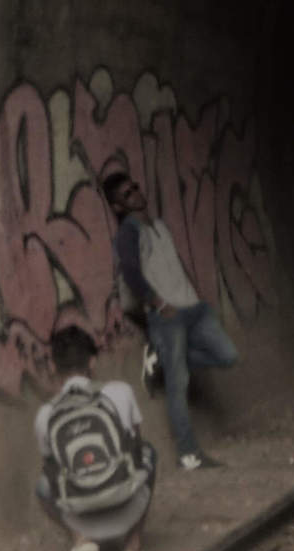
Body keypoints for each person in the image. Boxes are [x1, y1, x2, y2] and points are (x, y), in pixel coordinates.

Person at [102, 167, 238, 470]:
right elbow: (132, 275)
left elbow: (174, 266)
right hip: (168, 317)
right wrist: (159, 304)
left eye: (135, 187)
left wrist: (195, 296)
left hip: (192, 307)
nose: (136, 193)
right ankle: (188, 454)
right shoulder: (127, 234)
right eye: (127, 194)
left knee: (227, 355)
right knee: (179, 385)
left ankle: (160, 362)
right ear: (117, 206)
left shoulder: (160, 225)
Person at [33, 325, 155, 551]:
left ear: (54, 367)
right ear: (92, 361)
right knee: (149, 452)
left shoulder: (46, 414)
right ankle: (132, 548)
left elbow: (51, 468)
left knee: (43, 485)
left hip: (79, 512)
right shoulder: (120, 391)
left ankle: (81, 540)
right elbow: (136, 447)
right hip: (126, 504)